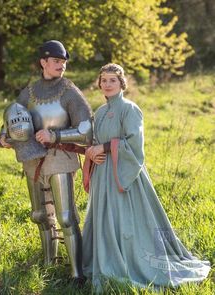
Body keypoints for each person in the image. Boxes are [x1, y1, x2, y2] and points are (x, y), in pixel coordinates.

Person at [82, 63, 210, 290]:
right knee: (104, 220)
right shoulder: (99, 112)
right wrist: (94, 153)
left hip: (124, 177)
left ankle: (130, 264)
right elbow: (96, 142)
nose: (107, 84)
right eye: (104, 80)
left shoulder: (130, 109)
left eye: (112, 80)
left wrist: (103, 147)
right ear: (99, 84)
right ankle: (104, 262)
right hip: (104, 175)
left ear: (122, 83)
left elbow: (134, 145)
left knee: (125, 223)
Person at [0, 40, 92, 282]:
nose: (62, 66)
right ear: (43, 62)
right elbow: (12, 117)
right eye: (57, 61)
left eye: (64, 62)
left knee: (67, 217)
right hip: (32, 159)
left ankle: (76, 274)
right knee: (40, 214)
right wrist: (3, 137)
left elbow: (86, 128)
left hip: (60, 156)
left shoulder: (69, 91)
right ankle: (50, 264)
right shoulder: (28, 93)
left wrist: (56, 135)